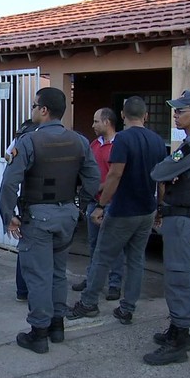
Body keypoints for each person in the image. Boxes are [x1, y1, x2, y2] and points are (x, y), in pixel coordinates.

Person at [0, 87, 100, 354]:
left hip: (38, 218)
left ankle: (39, 333)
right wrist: (81, 205)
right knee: (57, 273)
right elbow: (93, 179)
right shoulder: (79, 140)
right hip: (66, 215)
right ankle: (57, 326)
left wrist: (9, 217)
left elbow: (9, 184)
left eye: (34, 106)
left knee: (38, 275)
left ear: (43, 110)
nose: (32, 111)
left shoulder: (28, 142)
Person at [68, 96, 167, 324]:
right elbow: (162, 181)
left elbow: (115, 174)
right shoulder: (157, 141)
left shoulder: (122, 139)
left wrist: (101, 205)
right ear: (146, 115)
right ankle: (127, 307)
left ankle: (88, 302)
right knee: (135, 260)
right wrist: (159, 208)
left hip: (123, 209)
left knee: (102, 255)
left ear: (122, 115)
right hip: (147, 210)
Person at [144, 90, 190, 365]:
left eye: (180, 110)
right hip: (181, 218)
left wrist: (170, 172)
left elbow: (159, 172)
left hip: (182, 220)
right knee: (177, 275)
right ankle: (177, 329)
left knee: (178, 277)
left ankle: (180, 338)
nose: (175, 114)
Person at [72, 108, 125, 301]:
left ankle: (114, 284)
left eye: (96, 121)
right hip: (94, 202)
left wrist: (99, 187)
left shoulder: (118, 145)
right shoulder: (94, 144)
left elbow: (117, 176)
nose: (93, 125)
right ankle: (93, 279)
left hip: (112, 203)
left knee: (113, 246)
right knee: (93, 244)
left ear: (107, 122)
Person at [4, 119, 39, 302]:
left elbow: (8, 156)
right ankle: (25, 290)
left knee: (26, 248)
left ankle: (23, 290)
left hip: (28, 199)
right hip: (36, 201)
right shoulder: (36, 131)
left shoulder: (25, 130)